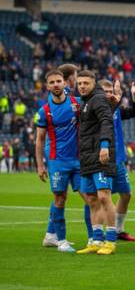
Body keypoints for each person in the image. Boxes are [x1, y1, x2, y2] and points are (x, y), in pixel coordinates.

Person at [35, 69, 82, 253]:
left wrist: (74, 72)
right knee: (60, 198)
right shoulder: (44, 111)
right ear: (47, 86)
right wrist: (40, 165)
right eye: (52, 82)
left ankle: (94, 237)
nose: (55, 84)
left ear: (65, 83)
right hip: (56, 160)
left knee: (88, 195)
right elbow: (39, 140)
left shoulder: (75, 103)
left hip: (78, 158)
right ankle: (61, 241)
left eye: (58, 81)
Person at [75, 70, 118, 255]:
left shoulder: (99, 99)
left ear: (94, 83)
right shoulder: (85, 102)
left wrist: (104, 145)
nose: (82, 86)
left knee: (103, 196)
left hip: (101, 154)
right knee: (91, 199)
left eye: (86, 83)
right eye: (79, 83)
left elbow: (107, 121)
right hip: (87, 157)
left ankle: (111, 241)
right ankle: (97, 240)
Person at [98, 78, 135, 242]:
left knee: (126, 194)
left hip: (119, 159)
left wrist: (134, 95)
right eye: (105, 92)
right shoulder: (97, 109)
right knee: (104, 196)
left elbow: (134, 112)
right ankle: (99, 233)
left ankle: (118, 229)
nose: (109, 94)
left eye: (110, 91)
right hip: (103, 159)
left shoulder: (116, 110)